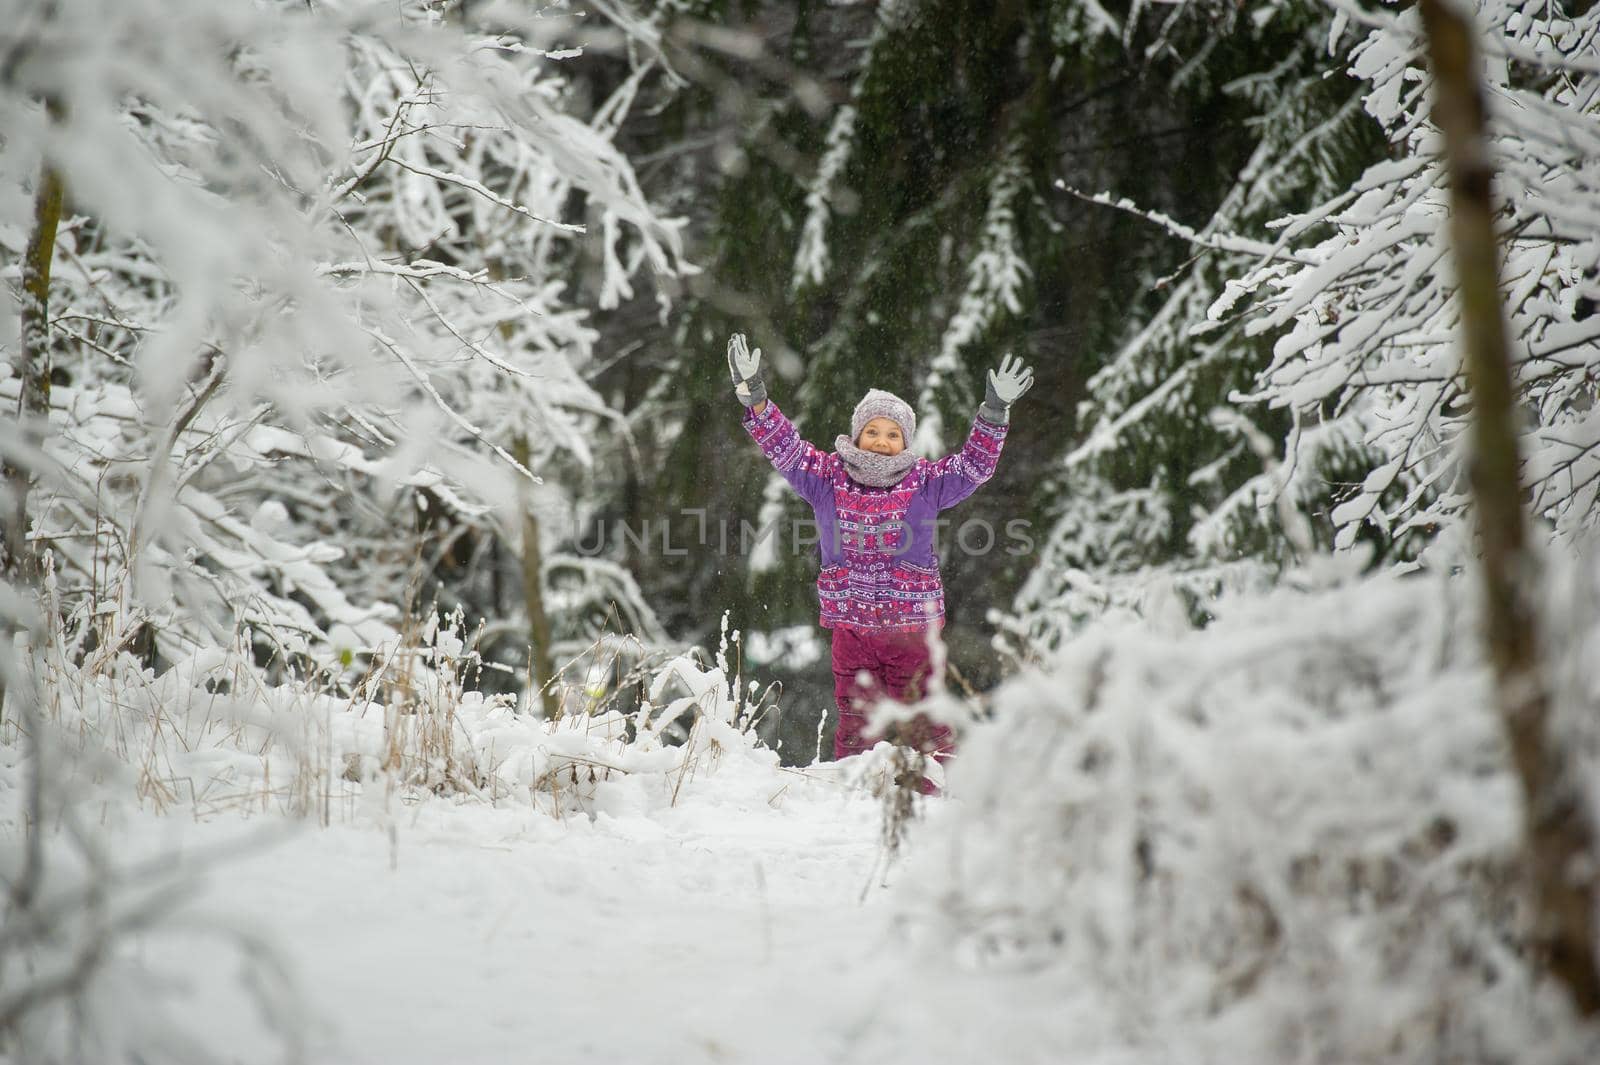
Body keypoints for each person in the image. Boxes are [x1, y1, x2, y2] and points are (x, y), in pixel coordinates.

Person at [726, 333, 1032, 785]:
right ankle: (857, 797)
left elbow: (973, 468)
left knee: (923, 722)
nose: (882, 441)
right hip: (851, 630)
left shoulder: (925, 481)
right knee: (856, 726)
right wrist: (756, 398)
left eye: (892, 434)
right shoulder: (827, 477)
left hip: (910, 630)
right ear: (857, 435)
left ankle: (930, 794)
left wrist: (992, 414)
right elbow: (786, 449)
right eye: (873, 431)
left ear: (905, 441)